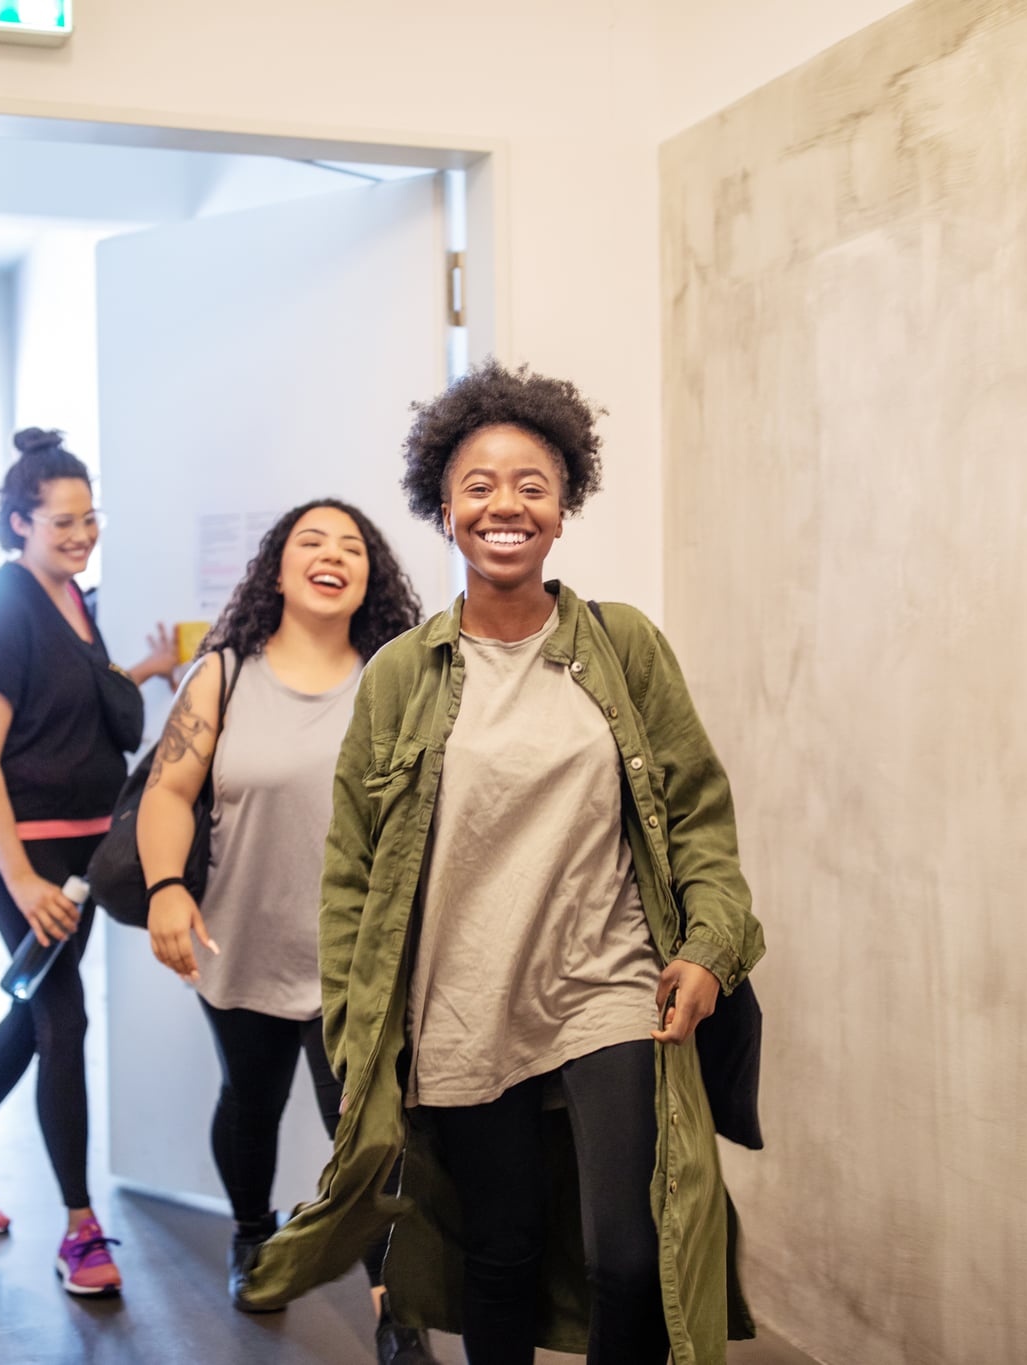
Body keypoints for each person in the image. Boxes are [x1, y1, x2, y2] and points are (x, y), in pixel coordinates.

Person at [240, 361, 767, 1364]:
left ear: (563, 506)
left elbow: (697, 818)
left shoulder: (624, 648)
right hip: (461, 1003)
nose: (504, 505)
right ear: (442, 509)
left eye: (531, 484)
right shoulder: (402, 674)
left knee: (629, 1253)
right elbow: (349, 876)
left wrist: (707, 947)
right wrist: (359, 1047)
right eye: (477, 486)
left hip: (607, 988)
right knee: (501, 1256)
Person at [137, 499, 437, 1365]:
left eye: (352, 545)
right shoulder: (221, 675)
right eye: (312, 540)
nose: (332, 554)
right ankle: (251, 1231)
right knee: (249, 1102)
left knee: (368, 1129)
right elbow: (166, 792)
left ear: (369, 577)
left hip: (358, 960)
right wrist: (164, 886)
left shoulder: (395, 675)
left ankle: (397, 1309)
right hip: (242, 942)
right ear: (279, 568)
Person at [0, 428, 178, 1296]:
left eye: (91, 520)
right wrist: (19, 879)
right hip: (24, 850)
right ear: (18, 524)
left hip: (85, 840)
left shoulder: (72, 597)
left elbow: (70, 692)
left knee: (35, 1006)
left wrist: (147, 669)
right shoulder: (1, 608)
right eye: (62, 524)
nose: (82, 536)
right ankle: (81, 1227)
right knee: (65, 1017)